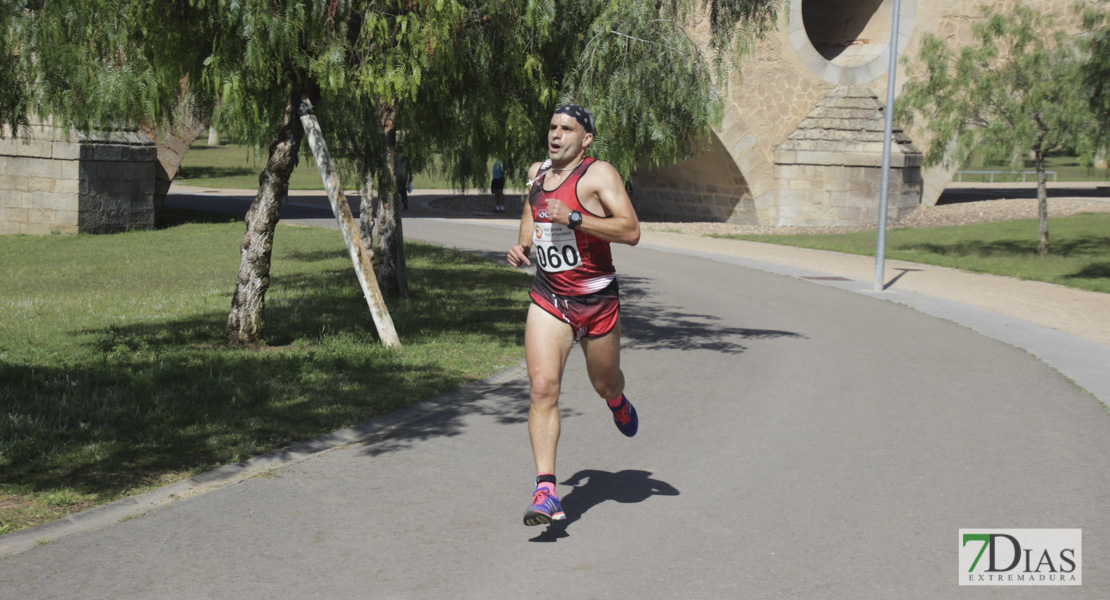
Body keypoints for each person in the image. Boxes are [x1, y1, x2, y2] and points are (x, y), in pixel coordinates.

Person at [506, 104, 641, 527]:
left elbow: (631, 230)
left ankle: (616, 400)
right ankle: (546, 489)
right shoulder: (538, 171)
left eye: (568, 128)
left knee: (604, 381)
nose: (556, 134)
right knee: (542, 387)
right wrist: (523, 245)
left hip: (597, 300)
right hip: (549, 298)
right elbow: (534, 209)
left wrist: (577, 218)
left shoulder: (600, 174)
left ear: (586, 139)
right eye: (552, 126)